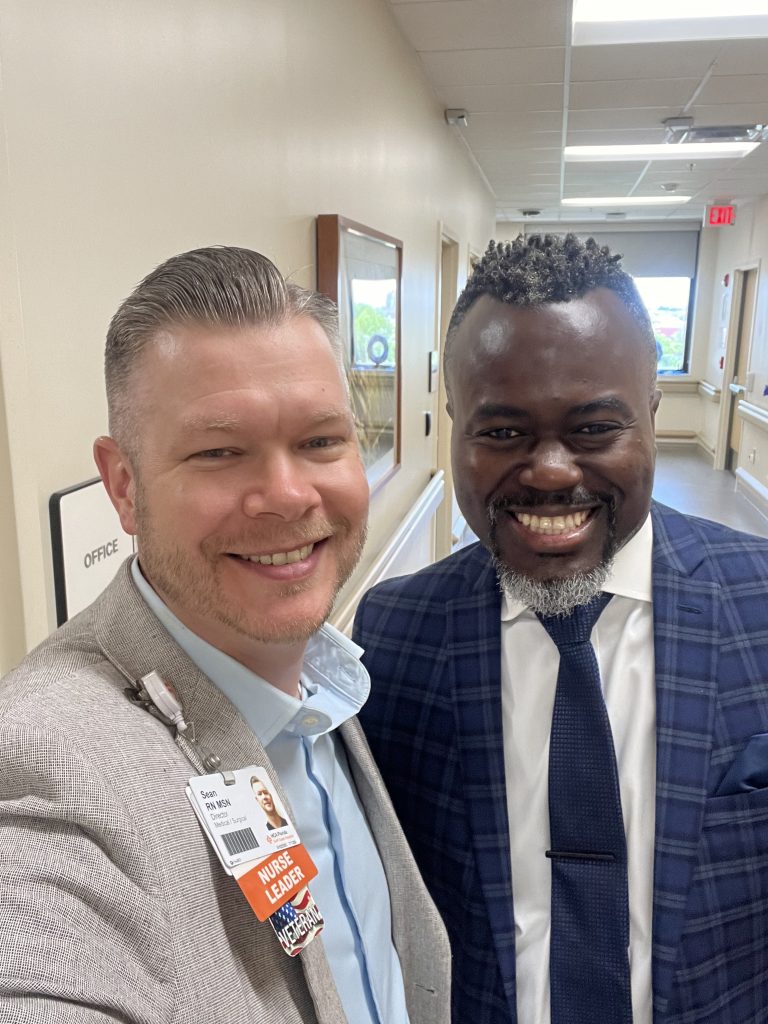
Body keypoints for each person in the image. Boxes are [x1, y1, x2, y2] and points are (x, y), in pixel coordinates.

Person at [0, 246, 449, 1023]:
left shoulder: (323, 676)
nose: (285, 494)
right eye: (219, 452)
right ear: (124, 487)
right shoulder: (51, 763)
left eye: (320, 441)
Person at [354, 233, 768, 1024]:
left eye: (592, 429)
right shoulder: (396, 634)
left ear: (650, 412)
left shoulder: (761, 602)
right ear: (454, 425)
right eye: (502, 432)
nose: (549, 471)